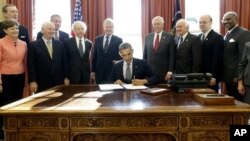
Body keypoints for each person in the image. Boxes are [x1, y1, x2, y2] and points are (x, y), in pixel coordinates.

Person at [0, 20, 27, 139]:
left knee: (18, 102)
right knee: (5, 104)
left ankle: (17, 130)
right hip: (5, 78)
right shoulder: (0, 43)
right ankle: (4, 131)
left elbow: (25, 62)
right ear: (5, 30)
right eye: (12, 29)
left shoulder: (23, 44)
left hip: (20, 77)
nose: (15, 31)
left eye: (16, 28)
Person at [28, 22, 69, 93]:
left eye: (53, 29)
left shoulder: (60, 44)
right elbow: (31, 65)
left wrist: (66, 77)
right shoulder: (33, 45)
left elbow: (64, 62)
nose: (52, 31)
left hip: (59, 80)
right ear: (42, 30)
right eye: (49, 29)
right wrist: (32, 81)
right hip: (41, 81)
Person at [222, 11, 250, 101]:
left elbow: (243, 58)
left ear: (236, 20)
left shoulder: (243, 33)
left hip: (235, 78)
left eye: (228, 19)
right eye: (223, 20)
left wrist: (238, 78)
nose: (225, 21)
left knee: (239, 104)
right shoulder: (227, 34)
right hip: (227, 77)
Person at [143, 16, 175, 82]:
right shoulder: (148, 37)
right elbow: (145, 55)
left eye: (158, 24)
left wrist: (170, 72)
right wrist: (144, 70)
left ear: (162, 25)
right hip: (150, 73)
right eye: (154, 24)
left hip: (164, 73)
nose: (156, 26)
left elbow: (172, 56)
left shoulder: (170, 36)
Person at [91, 18, 123, 84]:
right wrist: (93, 70)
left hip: (112, 71)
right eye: (107, 27)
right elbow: (95, 56)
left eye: (110, 27)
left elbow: (121, 57)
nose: (108, 29)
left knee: (111, 92)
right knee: (98, 91)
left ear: (113, 28)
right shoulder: (98, 39)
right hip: (99, 71)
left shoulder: (119, 40)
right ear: (103, 27)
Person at [198, 14, 224, 92]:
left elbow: (217, 59)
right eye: (200, 22)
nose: (202, 24)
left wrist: (214, 76)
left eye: (204, 22)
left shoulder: (217, 37)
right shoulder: (198, 37)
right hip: (199, 76)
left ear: (210, 23)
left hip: (211, 77)